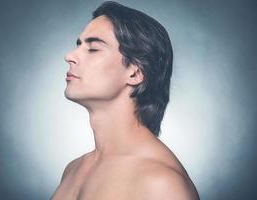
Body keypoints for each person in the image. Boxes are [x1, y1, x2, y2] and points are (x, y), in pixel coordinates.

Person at [51, 1, 199, 199]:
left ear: (135, 73)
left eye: (93, 49)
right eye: (78, 45)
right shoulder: (73, 169)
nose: (69, 56)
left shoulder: (161, 184)